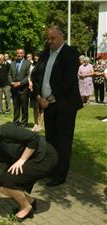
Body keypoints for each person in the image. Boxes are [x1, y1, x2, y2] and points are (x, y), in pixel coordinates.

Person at [0, 120, 57, 221]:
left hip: (45, 157)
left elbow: (34, 137)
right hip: (29, 159)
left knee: (9, 181)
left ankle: (26, 208)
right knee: (0, 184)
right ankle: (30, 201)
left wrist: (22, 159)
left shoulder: (3, 130)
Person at [31, 26, 83, 186]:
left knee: (63, 142)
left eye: (53, 38)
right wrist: (39, 96)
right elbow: (36, 75)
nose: (50, 41)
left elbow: (68, 82)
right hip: (47, 104)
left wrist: (51, 98)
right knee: (50, 140)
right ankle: (51, 171)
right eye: (48, 38)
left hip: (64, 105)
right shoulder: (46, 53)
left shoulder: (71, 53)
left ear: (61, 36)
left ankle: (60, 176)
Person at [8, 49, 31, 128]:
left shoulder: (28, 63)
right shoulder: (12, 63)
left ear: (24, 54)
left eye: (21, 53)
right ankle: (16, 122)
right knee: (16, 106)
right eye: (17, 53)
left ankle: (24, 123)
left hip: (23, 88)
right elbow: (9, 74)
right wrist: (11, 82)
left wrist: (20, 83)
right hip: (14, 88)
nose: (19, 55)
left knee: (24, 107)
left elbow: (28, 76)